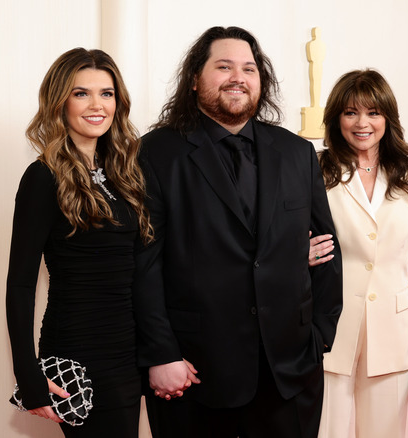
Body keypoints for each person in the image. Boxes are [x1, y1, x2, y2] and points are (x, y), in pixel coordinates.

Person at [133, 26, 343, 438]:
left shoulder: (297, 152)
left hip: (290, 370)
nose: (238, 77)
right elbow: (144, 264)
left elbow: (327, 252)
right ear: (195, 79)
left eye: (249, 68)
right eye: (223, 66)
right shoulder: (156, 153)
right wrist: (161, 353)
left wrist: (318, 337)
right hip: (193, 372)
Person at [5, 48, 151, 437]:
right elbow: (19, 284)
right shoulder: (42, 177)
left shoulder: (125, 173)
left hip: (127, 352)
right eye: (81, 93)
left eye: (106, 93)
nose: (96, 105)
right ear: (60, 102)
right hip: (78, 352)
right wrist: (28, 370)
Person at [311, 69, 408, 438]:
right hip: (328, 326)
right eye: (350, 112)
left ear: (388, 117)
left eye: (373, 112)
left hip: (394, 328)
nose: (362, 123)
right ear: (336, 118)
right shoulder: (315, 168)